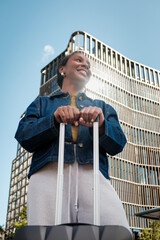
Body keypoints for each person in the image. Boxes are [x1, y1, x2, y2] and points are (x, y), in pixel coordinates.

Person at [15, 51, 131, 233]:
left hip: (93, 175)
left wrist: (101, 124)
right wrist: (53, 119)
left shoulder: (102, 107)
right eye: (78, 60)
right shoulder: (42, 104)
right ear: (62, 69)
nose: (85, 65)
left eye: (88, 64)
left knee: (116, 230)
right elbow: (24, 135)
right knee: (47, 234)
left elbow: (118, 144)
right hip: (48, 175)